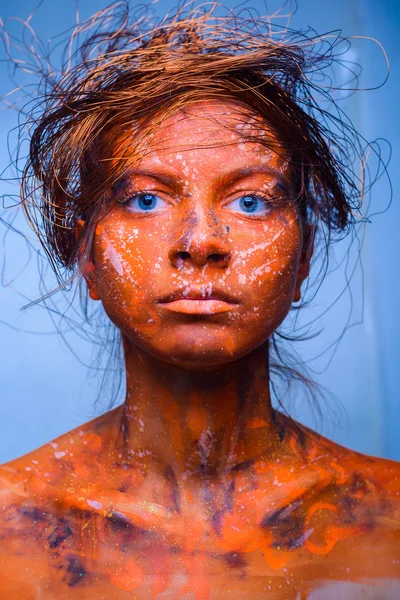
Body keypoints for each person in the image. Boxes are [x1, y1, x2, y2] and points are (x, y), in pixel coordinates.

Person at [0, 2, 399, 598]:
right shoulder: (15, 529)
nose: (201, 242)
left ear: (304, 256)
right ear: (85, 253)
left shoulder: (386, 519)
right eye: (144, 200)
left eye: (252, 201)